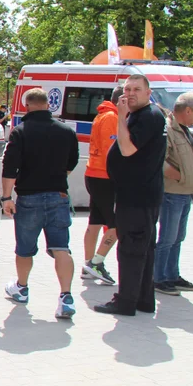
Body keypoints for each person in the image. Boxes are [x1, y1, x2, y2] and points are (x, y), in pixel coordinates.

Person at [0, 88, 80, 320]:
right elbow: (72, 163)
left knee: (24, 248)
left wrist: (7, 198)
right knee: (61, 248)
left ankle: (22, 289)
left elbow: (9, 168)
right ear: (48, 105)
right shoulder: (66, 131)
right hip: (58, 196)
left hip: (29, 198)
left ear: (26, 106)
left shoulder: (20, 132)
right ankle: (66, 297)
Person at [97, 74, 168, 315]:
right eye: (127, 89)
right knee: (143, 250)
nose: (130, 93)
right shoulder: (144, 115)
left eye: (137, 89)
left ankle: (125, 302)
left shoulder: (147, 116)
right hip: (139, 196)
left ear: (149, 93)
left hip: (137, 198)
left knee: (131, 250)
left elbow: (127, 149)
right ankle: (143, 300)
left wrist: (121, 118)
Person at [153, 92, 193, 295]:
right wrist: (183, 177)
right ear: (188, 110)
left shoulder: (185, 130)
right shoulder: (168, 129)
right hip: (172, 192)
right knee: (167, 238)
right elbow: (162, 163)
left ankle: (172, 275)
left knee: (178, 237)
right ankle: (159, 278)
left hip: (184, 192)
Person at [81, 86, 123, 285]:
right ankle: (96, 262)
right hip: (104, 177)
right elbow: (112, 152)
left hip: (95, 174)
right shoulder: (111, 118)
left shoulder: (103, 115)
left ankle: (89, 264)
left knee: (95, 222)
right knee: (117, 225)